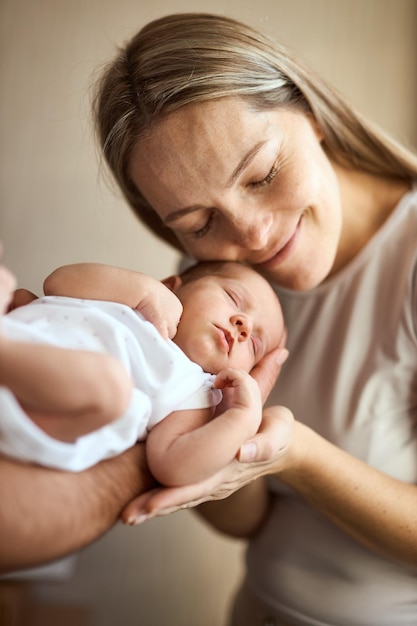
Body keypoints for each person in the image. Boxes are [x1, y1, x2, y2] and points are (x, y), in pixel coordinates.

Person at [84, 12, 417, 626]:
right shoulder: (221, 283)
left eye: (263, 175)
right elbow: (251, 521)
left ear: (311, 111)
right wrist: (183, 425)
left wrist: (297, 455)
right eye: (199, 223)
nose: (255, 234)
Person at [0, 257, 285, 486]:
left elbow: (173, 466)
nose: (244, 326)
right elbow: (58, 282)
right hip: (24, 348)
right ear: (172, 286)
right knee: (21, 295)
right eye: (233, 298)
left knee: (110, 387)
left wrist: (242, 419)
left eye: (256, 344)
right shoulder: (134, 300)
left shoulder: (195, 392)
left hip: (42, 419)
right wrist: (145, 290)